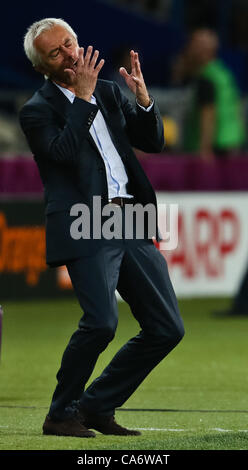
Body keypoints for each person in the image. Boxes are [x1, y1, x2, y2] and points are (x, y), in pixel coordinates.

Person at [19, 18, 184, 439]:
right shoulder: (37, 111)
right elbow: (63, 155)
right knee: (101, 323)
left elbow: (153, 142)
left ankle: (96, 405)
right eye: (56, 52)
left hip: (128, 216)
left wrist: (145, 101)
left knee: (167, 327)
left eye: (70, 43)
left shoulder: (110, 92)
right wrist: (84, 100)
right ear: (43, 68)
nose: (70, 54)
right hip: (84, 221)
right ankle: (61, 413)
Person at [171, 28, 245, 161]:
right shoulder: (223, 73)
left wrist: (205, 149)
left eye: (193, 44)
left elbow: (208, 112)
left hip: (214, 148)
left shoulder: (206, 78)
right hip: (232, 142)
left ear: (203, 51)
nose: (189, 49)